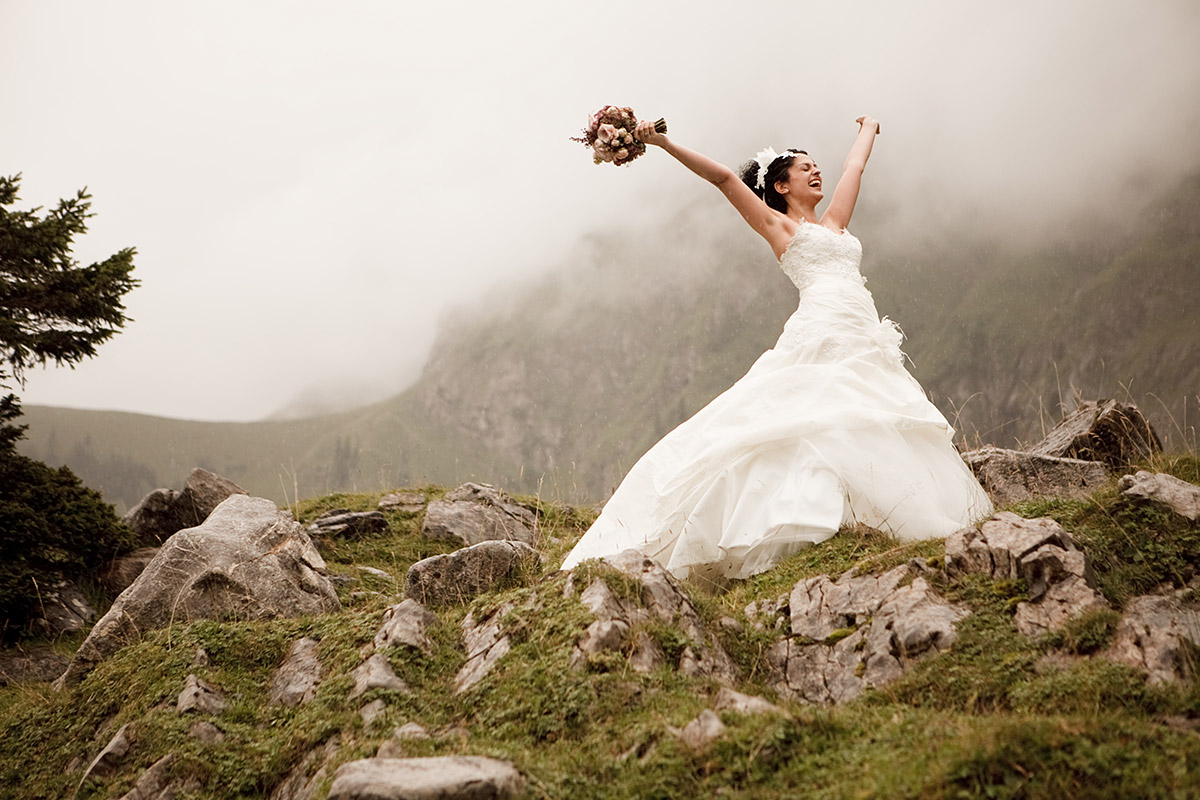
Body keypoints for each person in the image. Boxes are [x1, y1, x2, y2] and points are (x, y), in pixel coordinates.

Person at [561, 115, 992, 581]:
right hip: (822, 327)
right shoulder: (779, 228)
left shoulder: (835, 226)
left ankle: (867, 510)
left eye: (815, 165)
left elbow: (854, 169)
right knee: (814, 418)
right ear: (782, 186)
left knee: (867, 414)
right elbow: (724, 178)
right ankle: (799, 518)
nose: (816, 172)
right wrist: (662, 142)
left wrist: (869, 127)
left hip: (863, 330)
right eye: (805, 168)